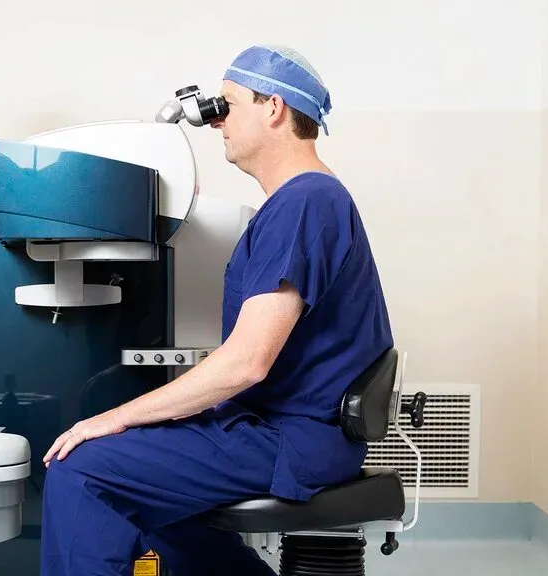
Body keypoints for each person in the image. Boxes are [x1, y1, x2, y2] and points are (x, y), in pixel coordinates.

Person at [39, 45, 394, 576]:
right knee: (149, 501)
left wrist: (110, 421)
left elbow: (247, 363)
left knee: (83, 470)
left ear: (272, 107)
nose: (217, 121)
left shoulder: (305, 201)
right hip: (284, 430)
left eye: (228, 104)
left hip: (290, 440)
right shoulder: (302, 202)